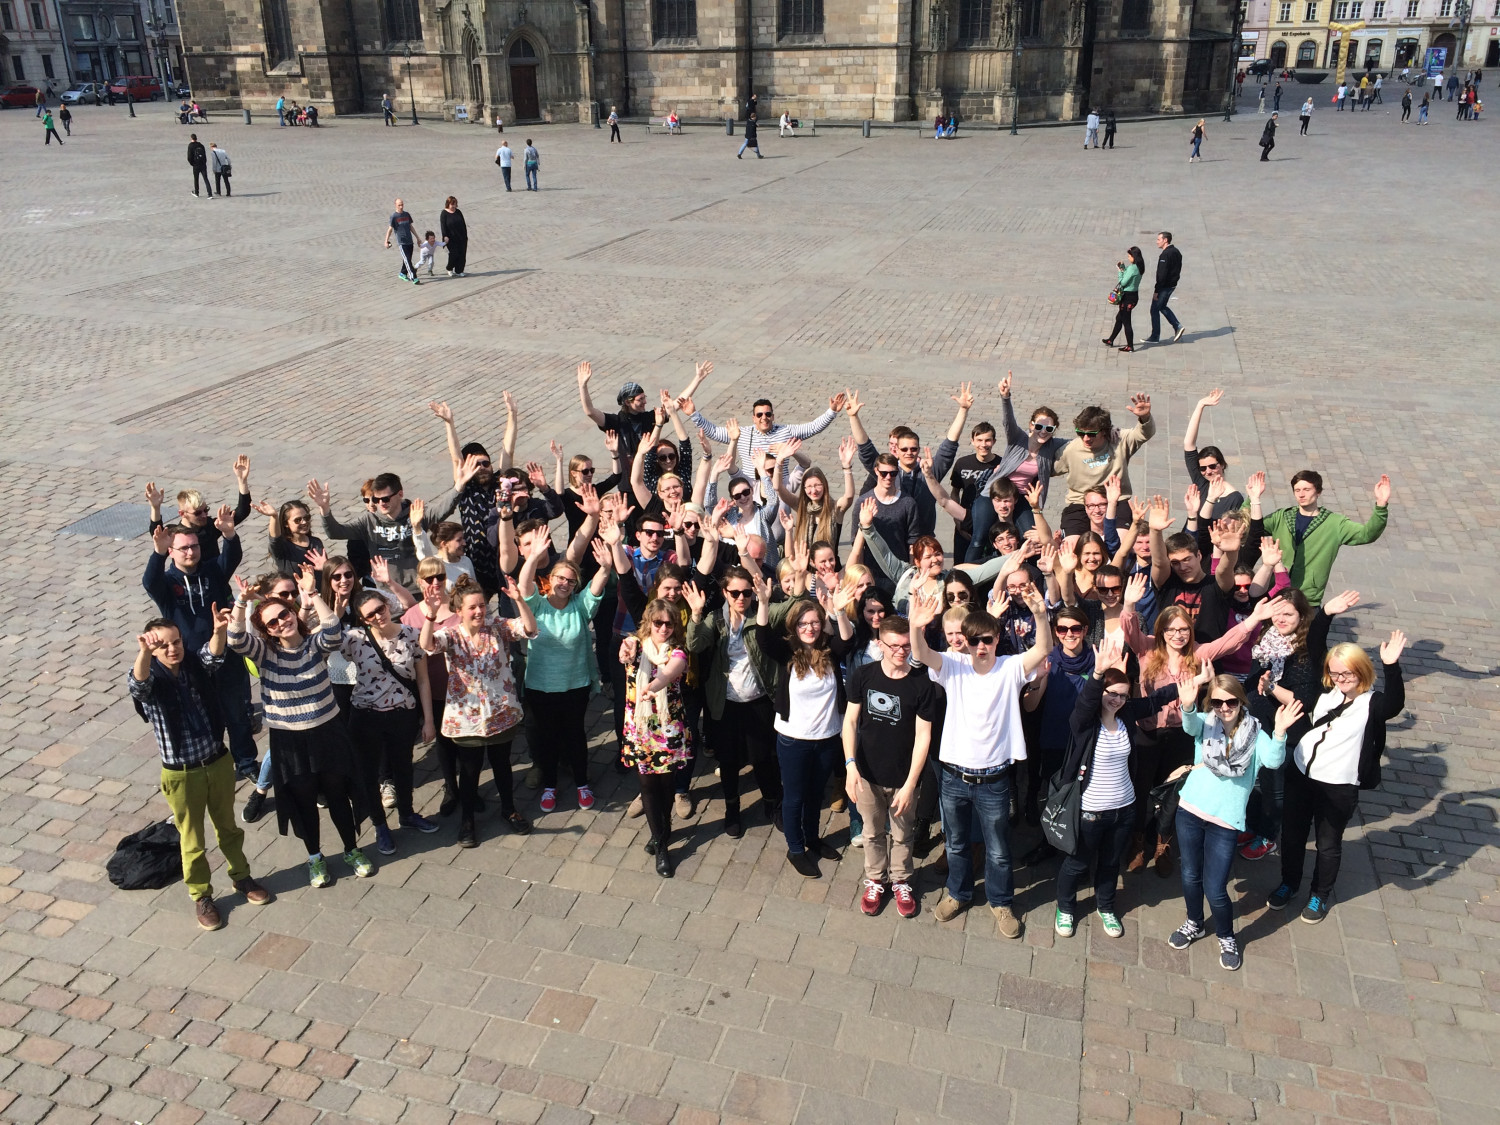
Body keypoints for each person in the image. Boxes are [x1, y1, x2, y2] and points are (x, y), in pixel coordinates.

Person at [910, 583, 1053, 939]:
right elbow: (924, 654)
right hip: (955, 778)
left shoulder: (1010, 667)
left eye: (987, 639)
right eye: (974, 641)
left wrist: (1039, 614)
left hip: (994, 779)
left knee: (999, 850)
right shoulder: (954, 665)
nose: (981, 647)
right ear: (967, 643)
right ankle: (958, 894)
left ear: (997, 637)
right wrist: (916, 626)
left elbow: (1045, 648)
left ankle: (1001, 901)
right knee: (955, 843)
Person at [229, 568, 375, 888]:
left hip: (327, 731)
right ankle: (315, 857)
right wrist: (241, 602)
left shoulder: (314, 644)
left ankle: (351, 849)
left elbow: (333, 629)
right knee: (303, 798)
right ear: (267, 630)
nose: (282, 621)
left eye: (284, 613)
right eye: (273, 621)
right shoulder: (265, 653)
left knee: (337, 794)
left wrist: (312, 594)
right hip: (289, 740)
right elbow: (236, 638)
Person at [130, 609, 273, 930]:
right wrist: (142, 652)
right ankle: (201, 895)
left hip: (217, 762)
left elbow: (213, 654)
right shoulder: (151, 680)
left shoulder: (193, 665)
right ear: (152, 650)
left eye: (176, 642)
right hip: (182, 774)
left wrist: (220, 628)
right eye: (163, 646)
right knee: (192, 839)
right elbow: (137, 685)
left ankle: (241, 876)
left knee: (229, 828)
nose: (172, 649)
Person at [1167, 662, 1301, 971]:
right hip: (1190, 809)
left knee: (1215, 887)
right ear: (1210, 703)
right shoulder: (1205, 723)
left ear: (1241, 701)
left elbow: (1272, 760)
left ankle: (1226, 935)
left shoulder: (1255, 730)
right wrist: (1188, 704)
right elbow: (1189, 725)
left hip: (1225, 820)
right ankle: (1194, 922)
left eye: (1231, 701)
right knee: (1189, 874)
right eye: (1217, 701)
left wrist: (1279, 733)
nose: (1224, 707)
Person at [1270, 628, 1406, 924]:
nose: (1340, 679)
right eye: (1335, 674)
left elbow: (1395, 704)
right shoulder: (1326, 692)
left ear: (1361, 671)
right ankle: (1289, 883)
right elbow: (1316, 642)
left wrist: (1391, 666)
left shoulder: (1372, 703)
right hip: (1301, 771)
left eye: (1347, 674)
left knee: (1328, 844)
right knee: (1291, 835)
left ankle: (1320, 893)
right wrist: (1326, 613)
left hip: (1338, 786)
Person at [1051, 635, 1180, 939]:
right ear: (1100, 692)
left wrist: (1192, 683)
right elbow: (1085, 702)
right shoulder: (1084, 722)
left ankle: (1106, 906)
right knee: (1077, 863)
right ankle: (1066, 907)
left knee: (1110, 863)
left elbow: (1155, 700)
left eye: (1123, 695)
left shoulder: (1125, 715)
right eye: (1112, 694)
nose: (1117, 700)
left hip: (1123, 808)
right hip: (1090, 812)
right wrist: (1097, 675)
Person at [418, 575, 536, 848]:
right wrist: (431, 615)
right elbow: (427, 645)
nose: (479, 611)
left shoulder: (497, 627)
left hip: (500, 712)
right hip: (466, 718)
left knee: (502, 764)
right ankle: (467, 820)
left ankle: (509, 809)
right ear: (459, 611)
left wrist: (519, 600)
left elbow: (529, 629)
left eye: (482, 605)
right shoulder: (451, 635)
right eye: (472, 607)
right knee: (469, 771)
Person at [755, 574, 855, 878]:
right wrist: (762, 601)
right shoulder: (787, 653)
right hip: (793, 740)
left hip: (827, 738)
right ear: (794, 627)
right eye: (803, 624)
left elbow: (847, 639)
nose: (809, 628)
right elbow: (762, 638)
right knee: (795, 796)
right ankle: (795, 848)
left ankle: (813, 838)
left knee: (815, 795)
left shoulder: (829, 651)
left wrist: (837, 611)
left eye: (814, 622)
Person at [843, 615, 938, 917]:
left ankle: (901, 879)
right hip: (867, 774)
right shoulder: (863, 676)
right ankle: (875, 879)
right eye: (894, 645)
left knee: (902, 834)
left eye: (906, 645)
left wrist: (911, 784)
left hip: (903, 778)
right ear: (880, 644)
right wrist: (850, 765)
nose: (901, 651)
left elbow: (924, 736)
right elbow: (850, 721)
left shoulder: (922, 685)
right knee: (871, 832)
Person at [341, 587, 438, 855]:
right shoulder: (354, 639)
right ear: (362, 619)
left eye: (380, 609)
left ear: (387, 605)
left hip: (402, 713)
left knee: (403, 767)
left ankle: (407, 814)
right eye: (369, 615)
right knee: (369, 773)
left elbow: (422, 679)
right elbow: (323, 641)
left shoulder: (411, 634)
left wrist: (428, 720)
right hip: (365, 715)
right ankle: (380, 825)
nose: (377, 616)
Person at [517, 536, 611, 813]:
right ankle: (549, 786)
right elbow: (524, 586)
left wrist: (606, 567)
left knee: (575, 736)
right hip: (540, 687)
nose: (565, 584)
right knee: (547, 738)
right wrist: (533, 557)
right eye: (560, 578)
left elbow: (596, 588)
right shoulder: (537, 605)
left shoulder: (580, 607)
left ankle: (582, 784)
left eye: (571, 581)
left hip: (574, 685)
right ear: (550, 579)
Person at [620, 598, 692, 876]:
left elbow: (672, 671)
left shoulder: (677, 652)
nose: (663, 628)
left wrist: (654, 685)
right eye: (658, 622)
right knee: (647, 787)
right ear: (648, 623)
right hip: (640, 728)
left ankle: (663, 830)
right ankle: (661, 845)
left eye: (669, 623)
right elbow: (624, 655)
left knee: (665, 786)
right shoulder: (634, 645)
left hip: (667, 728)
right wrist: (625, 652)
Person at [1260, 470, 1389, 605]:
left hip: (1307, 598)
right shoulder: (1282, 517)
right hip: (1275, 591)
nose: (1301, 494)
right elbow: (1251, 527)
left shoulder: (1334, 523)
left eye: (1306, 489)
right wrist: (1252, 499)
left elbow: (1367, 534)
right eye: (1297, 490)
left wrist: (1381, 505)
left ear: (1318, 491)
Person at [1051, 393, 1154, 537]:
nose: (1085, 438)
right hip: (1080, 502)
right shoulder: (1070, 449)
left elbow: (1143, 434)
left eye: (1092, 434)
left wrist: (1145, 417)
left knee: (1121, 540)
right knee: (1073, 545)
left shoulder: (1119, 440)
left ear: (1104, 431)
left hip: (1118, 500)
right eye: (1080, 433)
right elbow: (1047, 469)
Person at [310, 472, 421, 592]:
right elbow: (335, 533)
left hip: (416, 586)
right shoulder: (366, 522)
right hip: (381, 587)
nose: (375, 504)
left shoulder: (415, 515)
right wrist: (324, 508)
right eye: (368, 500)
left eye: (382, 499)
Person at [1102, 246, 1144, 352]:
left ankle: (1130, 346)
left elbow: (1123, 282)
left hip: (1127, 298)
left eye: (1129, 256)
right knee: (1119, 318)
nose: (1128, 258)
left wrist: (1120, 271)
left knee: (1126, 322)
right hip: (1134, 296)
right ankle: (1111, 340)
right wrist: (1125, 269)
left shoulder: (1132, 268)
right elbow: (1129, 277)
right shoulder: (1139, 267)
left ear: (1134, 256)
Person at [1146, 232, 1184, 345]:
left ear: (1165, 240)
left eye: (1158, 239)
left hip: (1164, 287)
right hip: (1172, 285)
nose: (1157, 241)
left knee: (1154, 309)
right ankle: (1177, 326)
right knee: (1161, 306)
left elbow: (1161, 275)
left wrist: (1156, 290)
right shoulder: (1176, 252)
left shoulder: (1165, 255)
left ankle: (1155, 336)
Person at [384, 197, 420, 284]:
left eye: (402, 204)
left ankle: (403, 273)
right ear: (395, 205)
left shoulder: (407, 214)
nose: (401, 206)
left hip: (410, 241)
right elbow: (390, 229)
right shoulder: (394, 216)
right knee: (408, 260)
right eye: (399, 205)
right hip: (402, 242)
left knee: (407, 259)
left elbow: (410, 226)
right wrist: (386, 241)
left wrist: (417, 237)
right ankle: (413, 277)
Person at [440, 196, 468, 277]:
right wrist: (445, 236)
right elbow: (443, 225)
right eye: (452, 204)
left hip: (461, 237)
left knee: (462, 254)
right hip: (450, 238)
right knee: (454, 254)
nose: (454, 206)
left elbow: (463, 224)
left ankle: (459, 270)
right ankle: (449, 268)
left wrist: (465, 236)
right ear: (448, 204)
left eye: (455, 204)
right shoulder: (444, 213)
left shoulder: (458, 212)